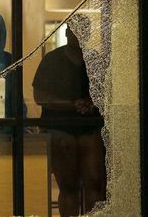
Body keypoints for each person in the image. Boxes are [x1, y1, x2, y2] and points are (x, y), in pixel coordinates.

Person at [32, 15, 106, 217]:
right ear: (67, 33)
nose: (79, 35)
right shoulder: (52, 60)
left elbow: (107, 92)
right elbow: (40, 97)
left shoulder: (94, 60)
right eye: (75, 30)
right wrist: (71, 105)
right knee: (69, 186)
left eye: (83, 30)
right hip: (61, 126)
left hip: (88, 126)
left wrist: (90, 103)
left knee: (94, 183)